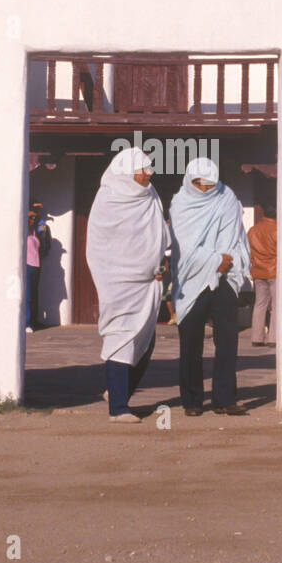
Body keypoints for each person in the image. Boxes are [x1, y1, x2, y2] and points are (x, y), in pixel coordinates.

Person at [86, 147, 170, 424]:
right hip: (117, 281)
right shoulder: (108, 199)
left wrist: (158, 266)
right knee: (121, 337)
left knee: (146, 342)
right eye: (142, 170)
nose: (148, 175)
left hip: (149, 283)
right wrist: (135, 267)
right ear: (126, 171)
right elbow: (105, 244)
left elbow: (159, 236)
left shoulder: (150, 196)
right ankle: (118, 409)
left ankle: (118, 391)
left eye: (149, 169)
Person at [170, 157, 251, 416]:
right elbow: (184, 248)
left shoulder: (226, 198)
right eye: (199, 183)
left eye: (209, 184)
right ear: (189, 181)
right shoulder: (180, 203)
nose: (205, 189)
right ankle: (192, 401)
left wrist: (226, 262)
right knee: (190, 343)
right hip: (193, 279)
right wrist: (215, 260)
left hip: (225, 277)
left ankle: (224, 398)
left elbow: (234, 237)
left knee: (227, 340)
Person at [247, 202, 277, 347]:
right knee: (277, 306)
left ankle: (256, 338)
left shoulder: (253, 230)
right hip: (275, 270)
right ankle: (273, 338)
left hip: (258, 270)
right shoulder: (278, 230)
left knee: (259, 304)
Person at [24, 200, 52, 333]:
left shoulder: (39, 228)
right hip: (28, 265)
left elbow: (44, 243)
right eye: (31, 216)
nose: (33, 217)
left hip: (36, 265)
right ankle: (27, 322)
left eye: (34, 216)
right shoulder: (25, 230)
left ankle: (33, 321)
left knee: (34, 295)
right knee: (28, 295)